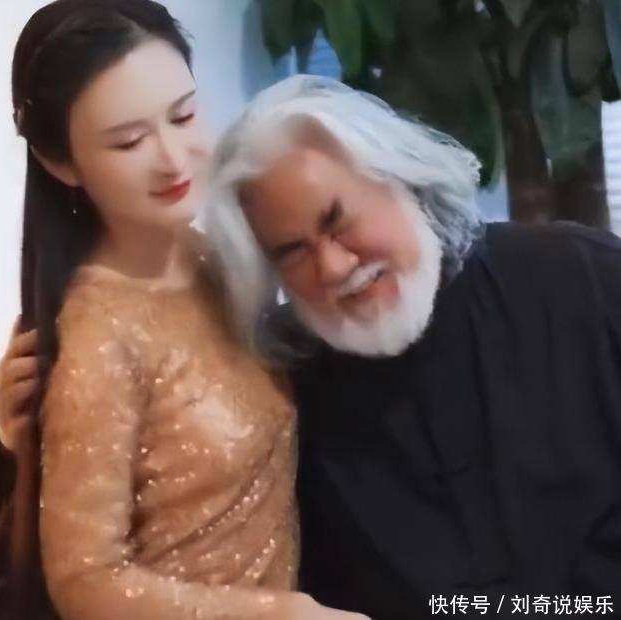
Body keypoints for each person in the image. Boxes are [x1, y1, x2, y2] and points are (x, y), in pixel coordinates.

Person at [0, 7, 367, 620]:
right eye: (130, 141)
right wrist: (280, 613)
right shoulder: (99, 335)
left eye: (183, 115)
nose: (173, 157)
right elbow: (86, 580)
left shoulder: (210, 256)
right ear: (61, 163)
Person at [199, 76, 621, 619]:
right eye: (292, 251)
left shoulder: (581, 280)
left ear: (402, 180)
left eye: (338, 221)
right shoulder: (286, 393)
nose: (332, 267)